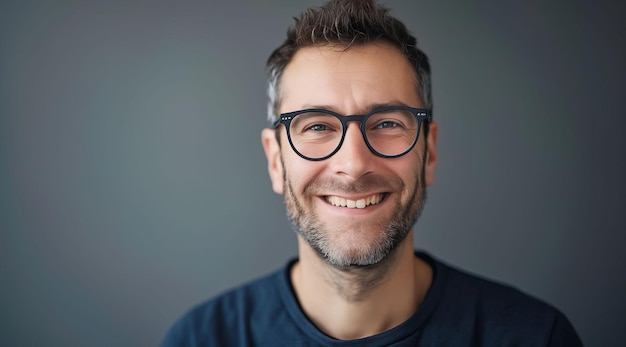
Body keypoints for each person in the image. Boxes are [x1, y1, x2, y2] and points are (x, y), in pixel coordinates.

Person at [161, 0, 582, 345]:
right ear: (275, 160)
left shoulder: (534, 337)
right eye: (318, 126)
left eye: (387, 123)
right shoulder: (202, 339)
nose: (354, 164)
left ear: (429, 151)